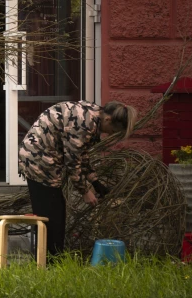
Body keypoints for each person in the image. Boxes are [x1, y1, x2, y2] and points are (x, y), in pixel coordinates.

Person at [18, 100, 138, 257]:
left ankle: (52, 258)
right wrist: (85, 191)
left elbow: (81, 153)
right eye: (112, 131)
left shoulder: (93, 114)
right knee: (50, 215)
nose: (109, 134)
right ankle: (48, 260)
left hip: (46, 160)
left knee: (56, 210)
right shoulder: (84, 123)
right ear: (108, 120)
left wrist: (95, 181)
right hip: (39, 161)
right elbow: (73, 162)